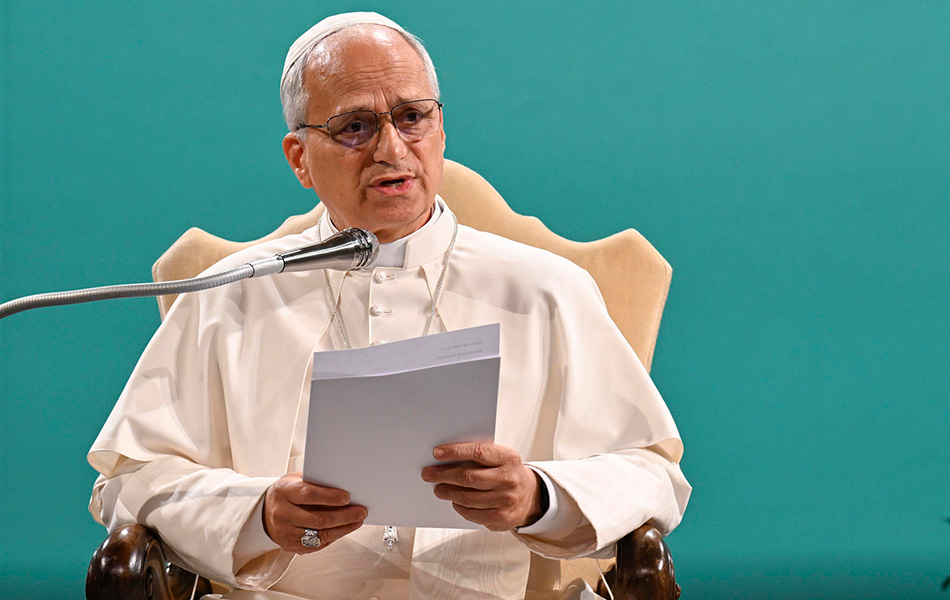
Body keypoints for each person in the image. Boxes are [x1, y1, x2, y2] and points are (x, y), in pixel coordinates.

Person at [88, 12, 690, 600]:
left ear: (441, 130)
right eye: (355, 126)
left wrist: (538, 496)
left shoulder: (547, 289)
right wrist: (258, 515)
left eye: (411, 117)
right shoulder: (231, 294)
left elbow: (654, 476)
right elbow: (129, 482)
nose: (391, 148)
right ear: (300, 158)